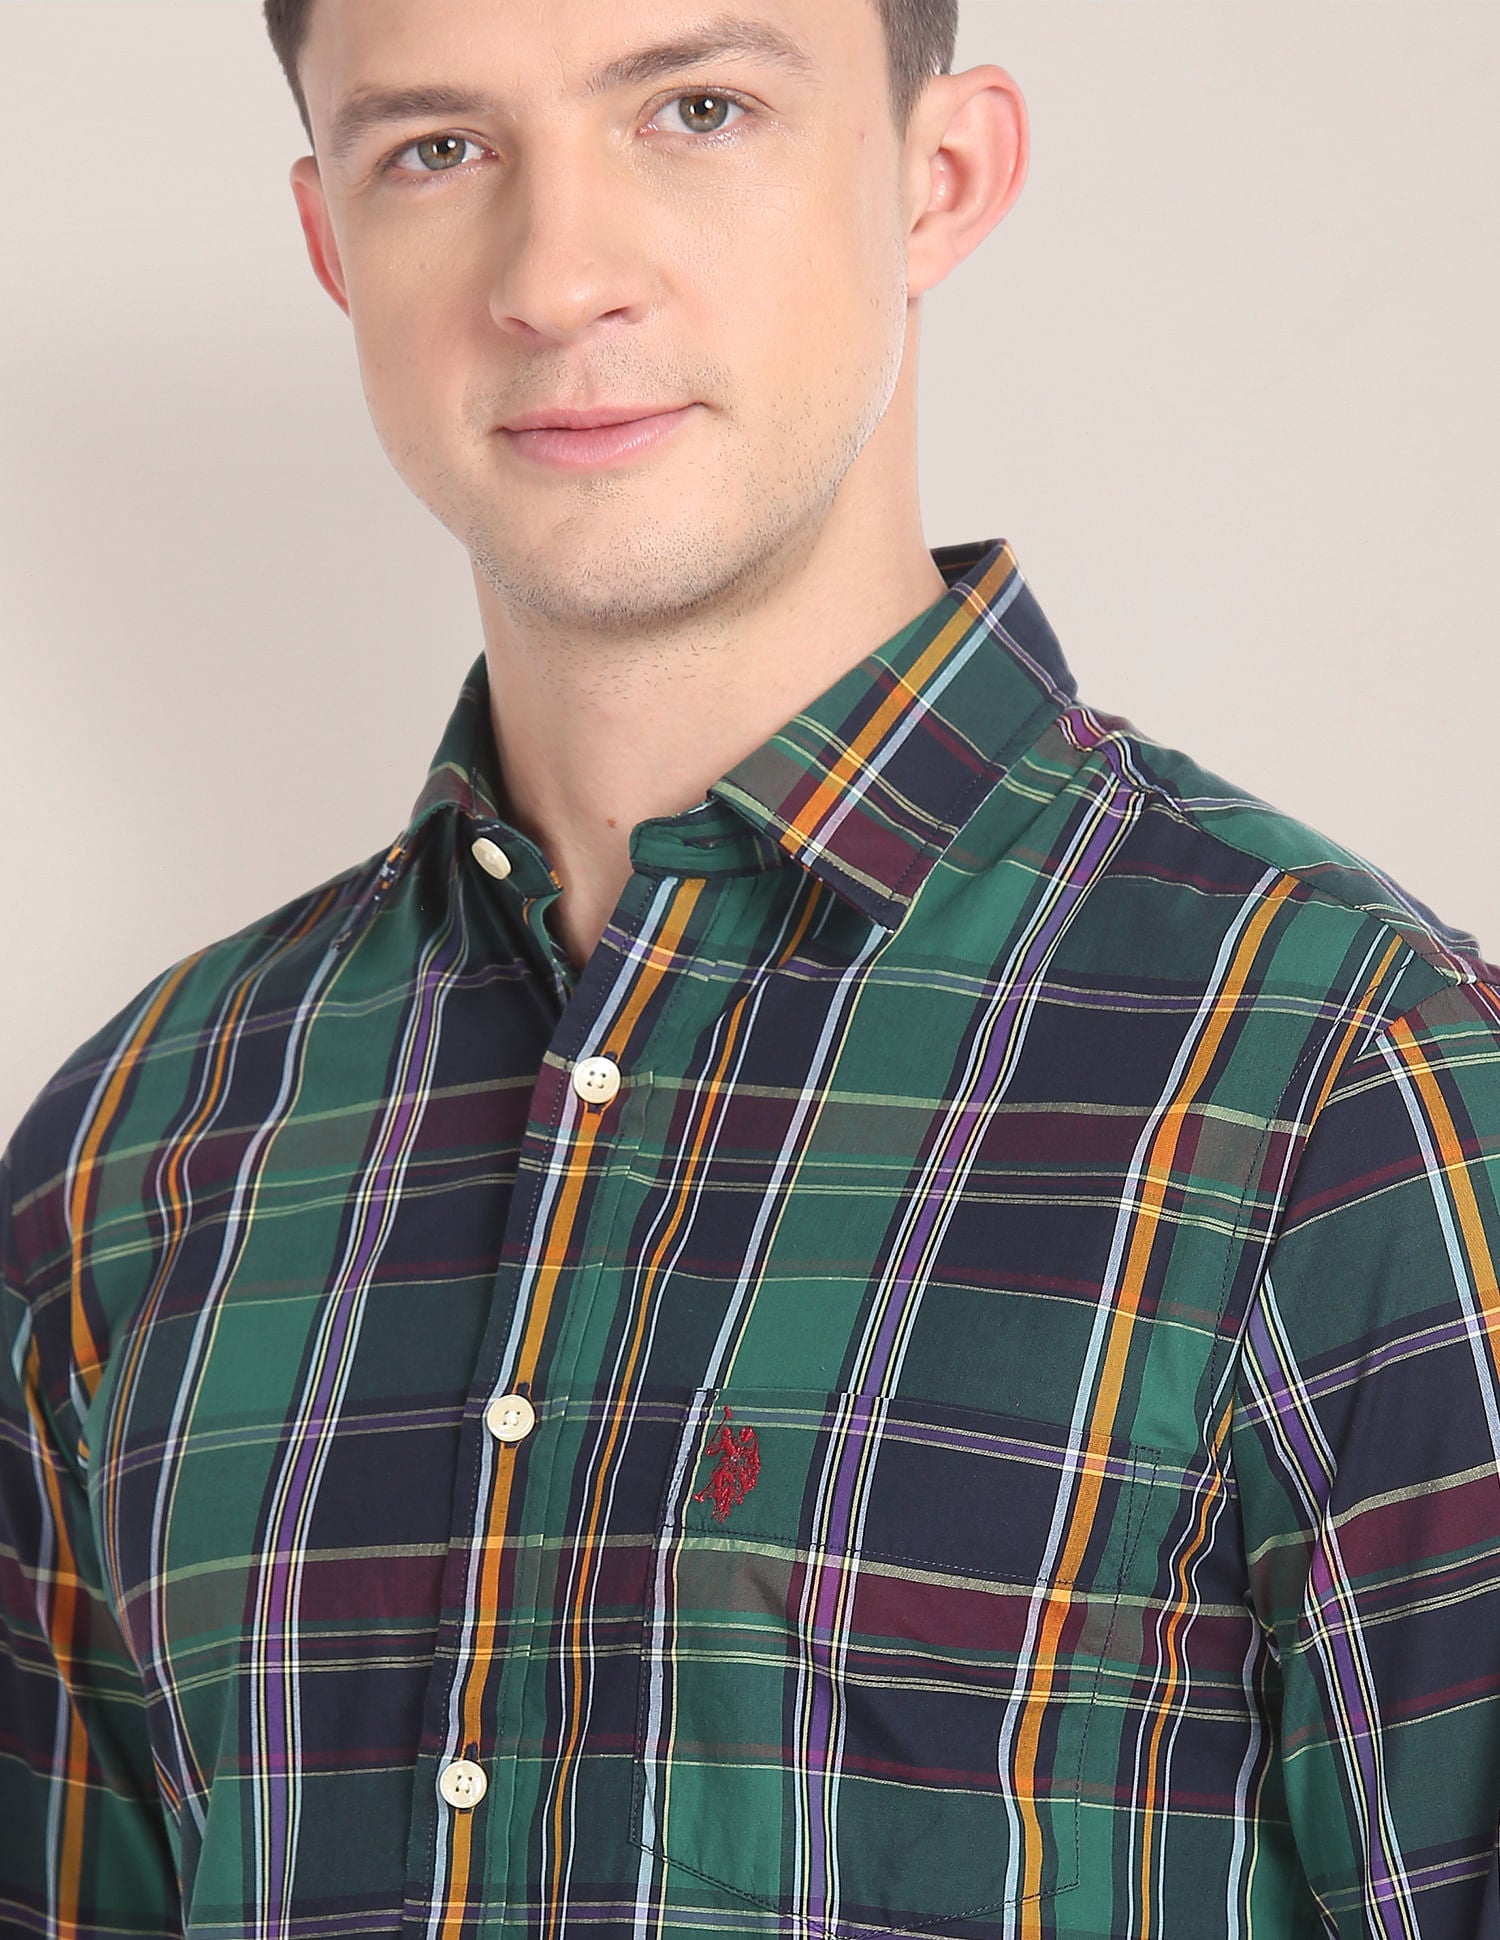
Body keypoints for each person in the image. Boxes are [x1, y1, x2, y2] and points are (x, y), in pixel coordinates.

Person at [3, 0, 1499, 1934]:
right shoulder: (136, 1147)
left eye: (697, 110)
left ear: (939, 177)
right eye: (436, 150)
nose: (557, 277)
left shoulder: (1349, 1092)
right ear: (330, 240)